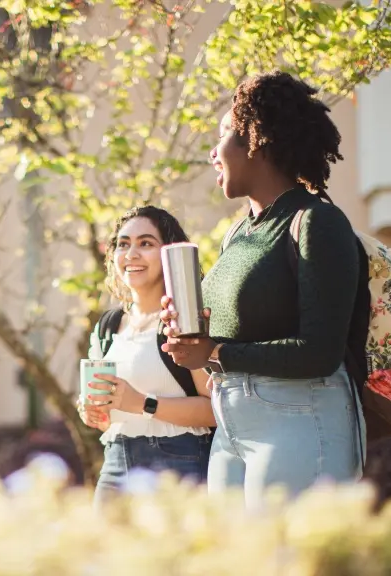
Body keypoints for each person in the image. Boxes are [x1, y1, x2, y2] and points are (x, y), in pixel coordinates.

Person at [160, 71, 365, 505]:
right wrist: (189, 333)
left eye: (224, 135)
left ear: (259, 139)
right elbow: (231, 332)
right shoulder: (239, 235)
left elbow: (320, 352)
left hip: (299, 417)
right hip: (232, 424)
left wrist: (214, 352)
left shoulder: (316, 222)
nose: (213, 154)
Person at [79, 206, 216, 508]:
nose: (131, 254)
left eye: (146, 243)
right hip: (115, 462)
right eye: (123, 244)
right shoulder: (108, 325)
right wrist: (90, 412)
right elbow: (105, 416)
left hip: (177, 463)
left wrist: (143, 403)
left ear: (168, 253)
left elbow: (215, 410)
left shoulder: (183, 320)